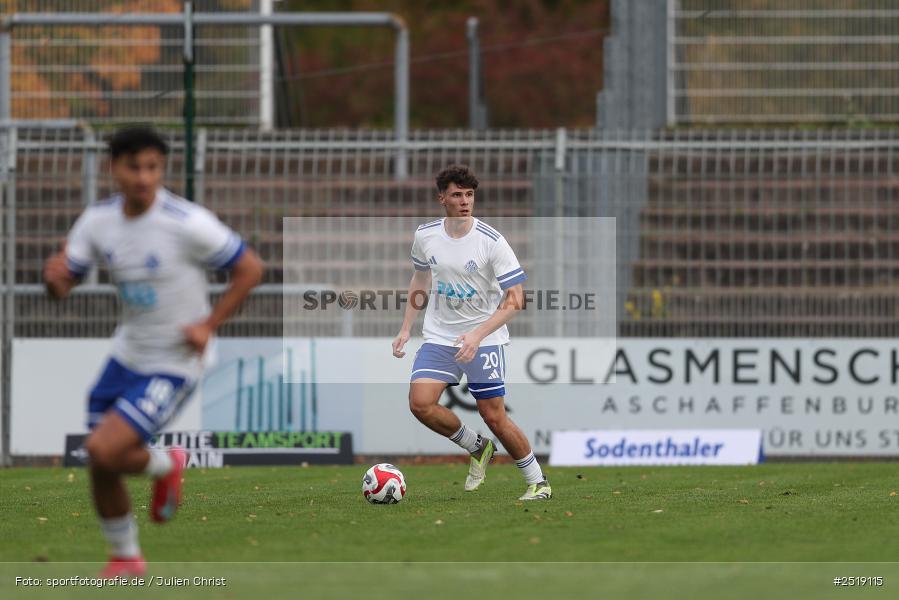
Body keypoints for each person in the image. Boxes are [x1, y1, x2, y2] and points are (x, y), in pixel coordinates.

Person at [43, 126, 263, 576]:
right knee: (101, 461)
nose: (144, 178)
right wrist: (54, 277)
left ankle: (163, 467)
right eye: (134, 167)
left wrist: (208, 324)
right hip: (127, 355)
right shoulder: (97, 221)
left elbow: (249, 267)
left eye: (153, 168)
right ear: (114, 169)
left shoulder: (187, 223)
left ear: (161, 169)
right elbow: (64, 283)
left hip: (176, 360)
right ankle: (125, 557)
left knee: (104, 450)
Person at [392, 165, 551, 501]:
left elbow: (516, 298)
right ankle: (477, 447)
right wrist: (406, 327)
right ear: (442, 199)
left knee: (494, 415)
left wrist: (477, 335)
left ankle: (538, 481)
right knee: (420, 404)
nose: (465, 201)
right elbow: (421, 279)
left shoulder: (492, 241)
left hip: (485, 338)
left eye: (469, 195)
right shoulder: (425, 235)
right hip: (440, 335)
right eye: (457, 195)